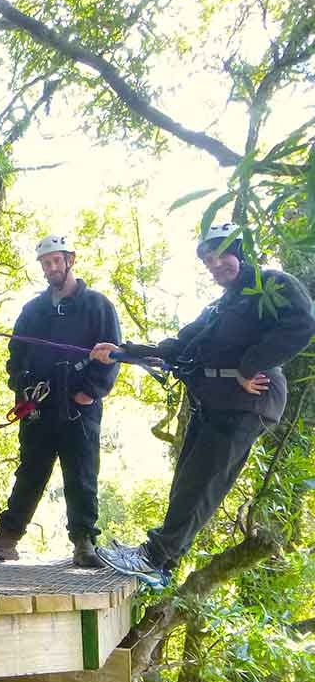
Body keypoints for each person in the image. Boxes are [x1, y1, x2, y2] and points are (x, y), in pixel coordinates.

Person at [91, 222, 315, 588]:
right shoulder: (221, 307)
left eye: (221, 255)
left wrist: (250, 365)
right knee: (187, 482)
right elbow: (180, 347)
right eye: (209, 262)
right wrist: (122, 352)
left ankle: (155, 558)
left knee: (200, 483)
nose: (215, 266)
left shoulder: (272, 285)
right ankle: (160, 559)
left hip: (247, 400)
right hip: (213, 401)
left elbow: (302, 324)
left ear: (238, 251)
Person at [0, 234, 121, 567]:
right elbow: (16, 353)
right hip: (38, 406)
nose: (51, 268)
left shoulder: (97, 306)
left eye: (55, 261)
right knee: (30, 472)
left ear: (70, 260)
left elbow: (111, 354)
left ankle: (84, 542)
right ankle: (7, 539)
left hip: (79, 407)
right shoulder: (33, 310)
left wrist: (88, 393)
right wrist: (21, 389)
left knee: (81, 473)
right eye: (45, 263)